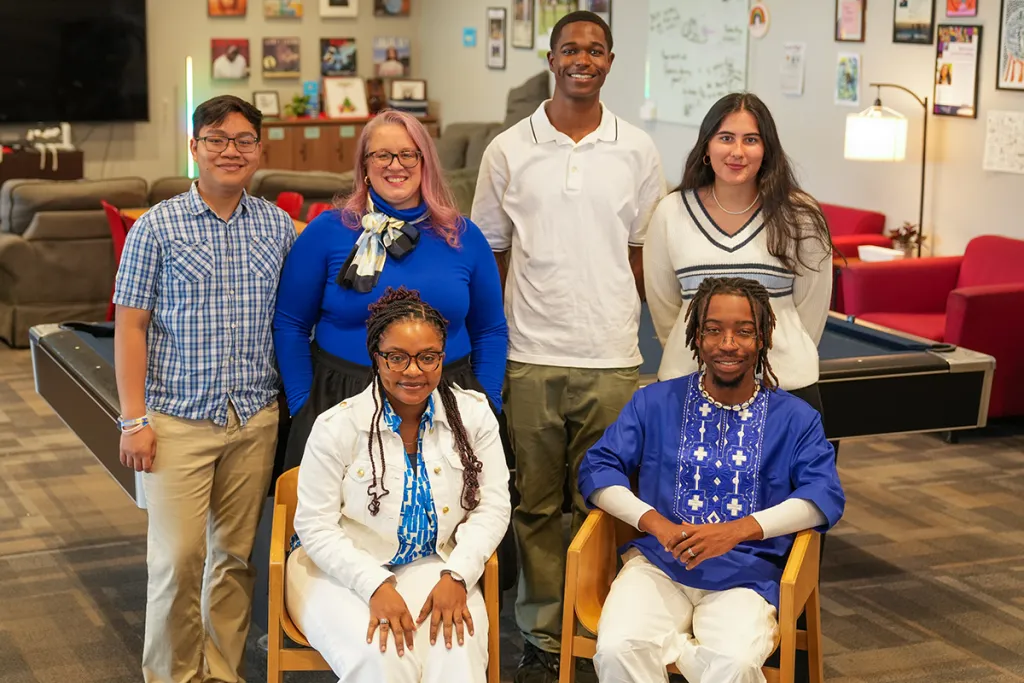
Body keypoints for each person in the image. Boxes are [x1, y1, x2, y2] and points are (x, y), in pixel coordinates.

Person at [470, 10, 665, 682]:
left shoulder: (637, 149)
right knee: (534, 503)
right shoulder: (507, 150)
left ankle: (602, 618)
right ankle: (544, 632)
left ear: (610, 61)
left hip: (612, 358)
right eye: (571, 49)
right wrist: (490, 348)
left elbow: (644, 251)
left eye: (596, 49)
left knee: (605, 501)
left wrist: (650, 332)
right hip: (530, 353)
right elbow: (490, 252)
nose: (583, 59)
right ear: (551, 58)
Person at [578, 276, 846, 683]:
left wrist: (735, 532)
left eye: (743, 331)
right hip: (658, 565)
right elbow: (597, 469)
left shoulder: (796, 419)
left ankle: (678, 649)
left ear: (763, 338)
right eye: (714, 330)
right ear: (696, 337)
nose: (728, 344)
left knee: (733, 663)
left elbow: (823, 495)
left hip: (748, 575)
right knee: (618, 649)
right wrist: (658, 525)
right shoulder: (654, 402)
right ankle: (680, 649)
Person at [113, 94, 294, 683]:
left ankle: (220, 672)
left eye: (243, 140)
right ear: (194, 148)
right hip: (175, 422)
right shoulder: (156, 228)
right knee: (176, 561)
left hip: (253, 418)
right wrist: (134, 420)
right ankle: (171, 677)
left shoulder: (276, 225)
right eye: (216, 139)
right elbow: (130, 326)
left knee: (234, 560)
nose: (230, 150)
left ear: (259, 150)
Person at [286, 287, 511, 683]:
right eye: (397, 357)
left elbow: (493, 507)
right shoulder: (337, 425)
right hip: (336, 569)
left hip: (435, 563)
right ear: (377, 357)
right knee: (384, 659)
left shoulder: (474, 417)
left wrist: (457, 574)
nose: (413, 371)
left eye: (428, 357)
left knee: (457, 653)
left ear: (443, 357)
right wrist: (374, 585)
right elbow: (315, 528)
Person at [273, 108, 507, 477]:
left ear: (424, 161)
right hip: (342, 398)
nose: (395, 165)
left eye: (407, 154)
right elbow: (289, 324)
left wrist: (488, 402)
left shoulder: (464, 235)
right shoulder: (328, 232)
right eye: (382, 154)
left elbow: (491, 329)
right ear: (364, 164)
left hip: (448, 396)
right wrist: (305, 405)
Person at [643, 92, 834, 419]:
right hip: (688, 384)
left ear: (766, 149)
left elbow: (812, 310)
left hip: (785, 388)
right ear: (706, 146)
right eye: (726, 138)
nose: (737, 152)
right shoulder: (670, 212)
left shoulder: (800, 214)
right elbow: (665, 310)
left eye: (751, 140)